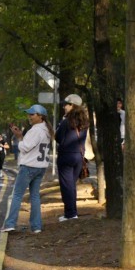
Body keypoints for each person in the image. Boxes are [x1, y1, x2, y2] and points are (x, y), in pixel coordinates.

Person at [1, 104, 53, 233]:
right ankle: (36, 226)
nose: (29, 117)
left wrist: (19, 138)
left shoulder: (35, 130)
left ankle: (10, 224)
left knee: (17, 195)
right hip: (40, 167)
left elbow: (25, 147)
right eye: (29, 114)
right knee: (35, 196)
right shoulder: (47, 130)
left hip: (29, 166)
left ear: (40, 116)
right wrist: (21, 136)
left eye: (32, 114)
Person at [55, 93, 90, 221]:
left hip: (66, 156)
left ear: (73, 106)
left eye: (67, 104)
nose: (64, 107)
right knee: (71, 185)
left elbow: (58, 137)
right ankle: (72, 212)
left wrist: (60, 125)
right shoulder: (84, 122)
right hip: (79, 157)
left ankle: (70, 214)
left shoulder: (66, 122)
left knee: (66, 186)